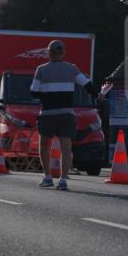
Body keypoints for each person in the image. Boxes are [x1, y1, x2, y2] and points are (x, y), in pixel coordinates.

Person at [30, 40, 98, 190]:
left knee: (44, 146)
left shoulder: (41, 69)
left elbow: (34, 92)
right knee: (66, 147)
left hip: (47, 113)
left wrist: (46, 95)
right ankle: (63, 180)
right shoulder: (72, 69)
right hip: (67, 114)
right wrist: (98, 94)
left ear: (49, 53)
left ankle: (47, 177)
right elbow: (88, 86)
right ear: (63, 53)